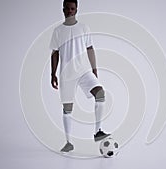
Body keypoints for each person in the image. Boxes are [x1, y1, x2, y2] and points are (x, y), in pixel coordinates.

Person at [49, 0, 110, 153]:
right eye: (67, 9)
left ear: (76, 10)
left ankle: (98, 132)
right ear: (63, 10)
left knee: (100, 93)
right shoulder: (58, 31)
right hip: (66, 74)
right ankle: (69, 142)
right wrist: (53, 74)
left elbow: (90, 48)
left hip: (83, 71)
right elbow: (54, 53)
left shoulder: (84, 28)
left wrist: (94, 68)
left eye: (72, 8)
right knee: (67, 109)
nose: (70, 11)